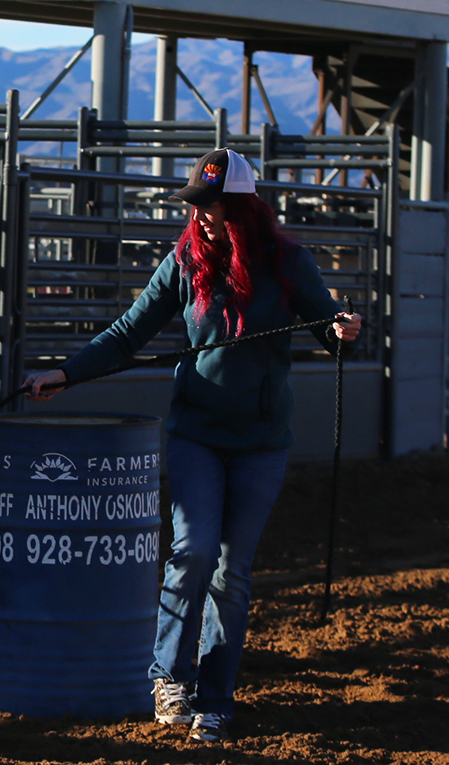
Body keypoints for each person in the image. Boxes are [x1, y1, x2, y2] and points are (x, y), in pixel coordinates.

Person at [24, 148, 362, 744]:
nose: (202, 215)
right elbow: (128, 332)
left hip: (261, 443)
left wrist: (343, 330)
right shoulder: (184, 261)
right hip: (196, 434)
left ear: (243, 206)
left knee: (232, 573)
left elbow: (331, 331)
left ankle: (216, 699)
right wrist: (68, 373)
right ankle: (169, 677)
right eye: (197, 205)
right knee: (194, 551)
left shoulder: (289, 262)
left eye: (213, 205)